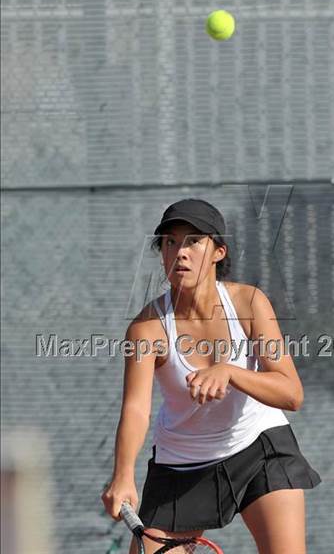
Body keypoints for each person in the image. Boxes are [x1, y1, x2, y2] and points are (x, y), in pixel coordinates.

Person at [102, 198, 321, 554]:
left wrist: (231, 372)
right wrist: (123, 474)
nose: (180, 252)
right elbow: (136, 409)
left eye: (193, 241)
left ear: (219, 251)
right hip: (181, 465)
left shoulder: (250, 304)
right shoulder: (146, 330)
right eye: (170, 242)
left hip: (258, 447)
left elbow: (291, 393)